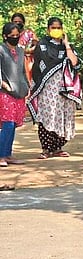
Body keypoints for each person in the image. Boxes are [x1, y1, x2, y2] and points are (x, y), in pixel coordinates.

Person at [26, 17, 81, 159]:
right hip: (47, 88)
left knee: (63, 115)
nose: (56, 30)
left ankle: (57, 148)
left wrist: (67, 44)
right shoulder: (43, 45)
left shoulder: (67, 46)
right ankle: (46, 149)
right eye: (53, 28)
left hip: (64, 90)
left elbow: (74, 62)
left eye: (58, 27)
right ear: (48, 29)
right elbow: (41, 66)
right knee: (47, 116)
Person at [0, 23, 29, 167]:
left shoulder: (20, 51)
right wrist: (5, 85)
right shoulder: (0, 50)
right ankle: (1, 155)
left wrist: (27, 85)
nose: (15, 38)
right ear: (5, 36)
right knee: (8, 123)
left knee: (14, 124)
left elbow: (23, 70)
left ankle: (8, 154)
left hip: (20, 91)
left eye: (18, 36)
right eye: (12, 36)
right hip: (5, 92)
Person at [11, 13, 38, 86]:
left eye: (19, 22)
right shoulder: (10, 34)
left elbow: (37, 46)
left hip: (27, 60)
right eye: (15, 22)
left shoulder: (29, 33)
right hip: (12, 60)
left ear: (23, 22)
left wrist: (27, 51)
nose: (17, 23)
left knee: (27, 81)